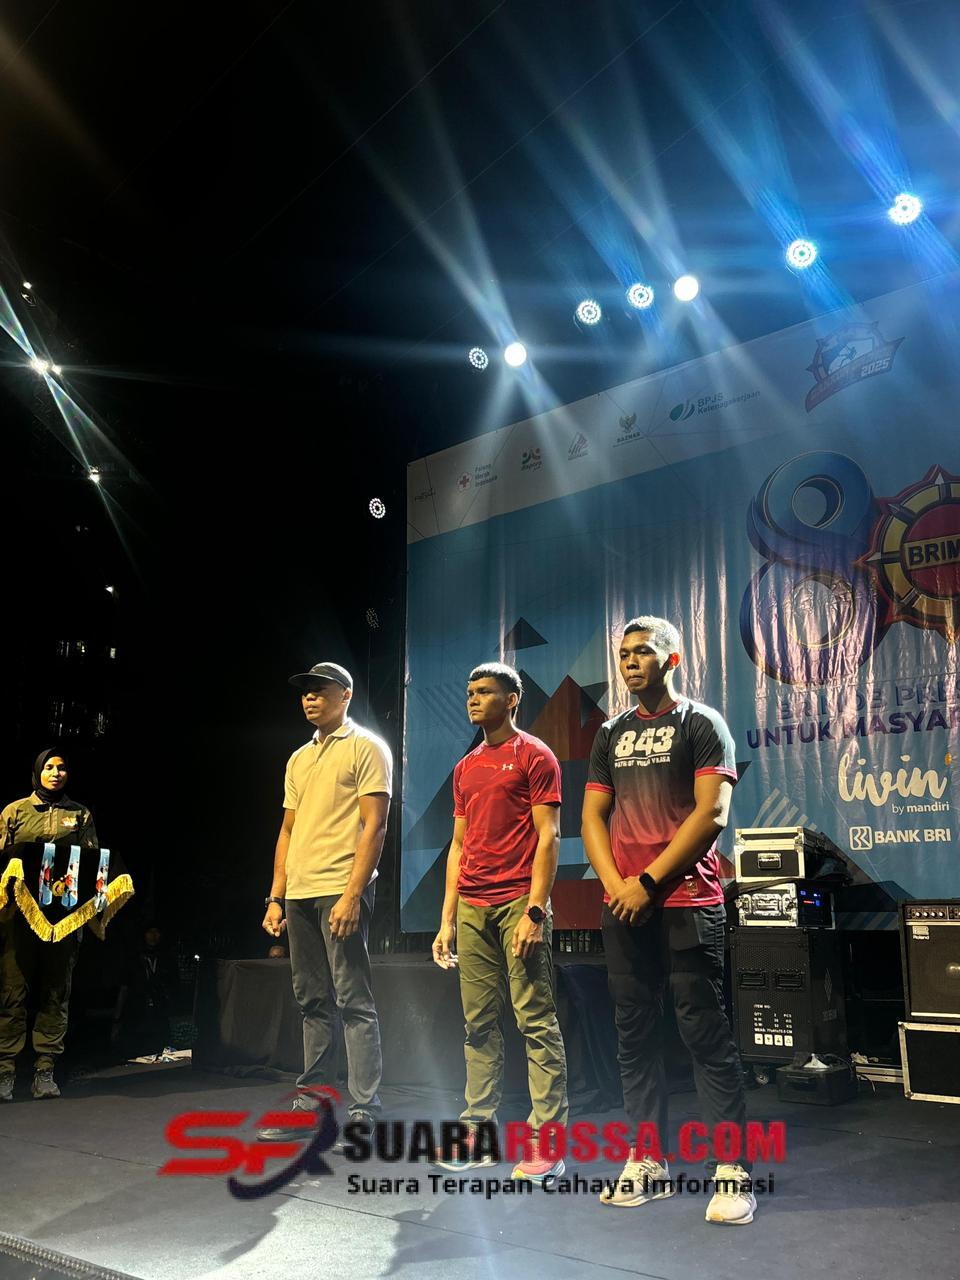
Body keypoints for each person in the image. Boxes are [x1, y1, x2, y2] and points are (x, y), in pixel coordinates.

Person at [581, 616, 755, 1225]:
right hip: (624, 907)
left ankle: (732, 1169)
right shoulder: (610, 732)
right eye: (623, 654)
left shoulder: (701, 723)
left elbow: (712, 815)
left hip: (687, 902)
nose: (630, 662)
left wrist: (648, 883)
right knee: (634, 1036)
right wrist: (617, 888)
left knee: (704, 1033)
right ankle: (646, 1160)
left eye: (643, 652)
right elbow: (592, 818)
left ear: (672, 660)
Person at [432, 662, 568, 1184]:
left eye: (485, 691)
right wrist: (446, 920)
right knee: (478, 1024)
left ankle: (547, 1142)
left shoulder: (535, 755)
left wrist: (536, 910)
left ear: (512, 699)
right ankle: (477, 1132)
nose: (473, 698)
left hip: (518, 903)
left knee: (535, 1021)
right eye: (470, 691)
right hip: (472, 906)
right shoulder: (465, 767)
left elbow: (549, 836)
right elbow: (459, 846)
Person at [258, 662, 392, 1141]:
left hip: (340, 887)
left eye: (319, 690)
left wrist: (353, 894)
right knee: (312, 1000)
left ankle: (365, 1107)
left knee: (353, 999)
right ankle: (313, 1102)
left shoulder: (366, 747)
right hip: (299, 892)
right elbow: (287, 830)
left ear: (346, 695)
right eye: (305, 692)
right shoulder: (299, 758)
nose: (310, 698)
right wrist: (276, 896)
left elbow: (375, 824)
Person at [0, 749, 98, 1101]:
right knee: (12, 993)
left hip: (63, 919)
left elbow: (92, 863)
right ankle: (5, 1072)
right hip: (19, 919)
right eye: (49, 767)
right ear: (37, 772)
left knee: (56, 992)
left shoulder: (80, 814)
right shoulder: (15, 811)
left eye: (62, 768)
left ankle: (45, 1070)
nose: (56, 773)